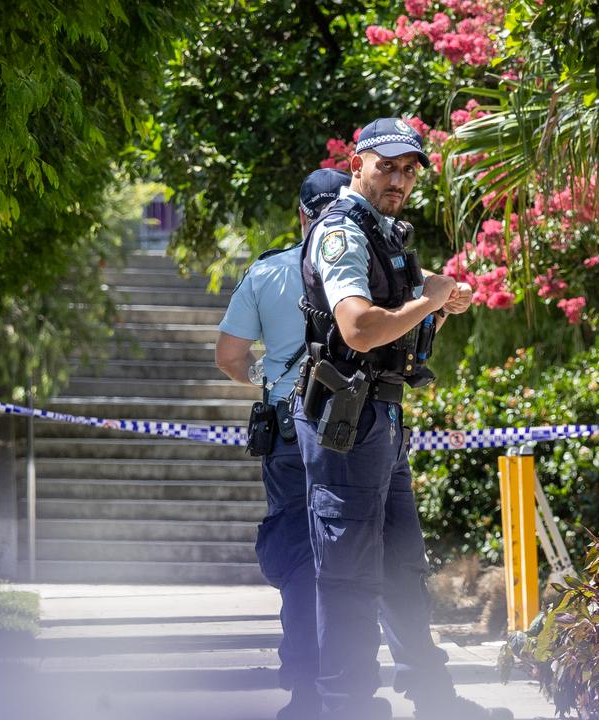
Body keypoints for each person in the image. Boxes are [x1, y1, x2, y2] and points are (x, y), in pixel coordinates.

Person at [294, 117, 511, 720]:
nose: (400, 178)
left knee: (401, 566)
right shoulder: (341, 231)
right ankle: (347, 706)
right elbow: (359, 329)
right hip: (345, 422)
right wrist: (429, 298)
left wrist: (435, 307)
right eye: (387, 164)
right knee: (347, 577)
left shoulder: (383, 232)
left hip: (380, 415)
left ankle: (435, 699)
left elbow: (398, 337)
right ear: (358, 160)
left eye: (410, 168)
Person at [215, 168, 352, 720]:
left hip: (287, 429)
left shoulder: (268, 271)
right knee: (352, 555)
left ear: (301, 214)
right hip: (352, 430)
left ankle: (304, 691)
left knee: (299, 556)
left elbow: (228, 355)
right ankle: (349, 686)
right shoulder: (366, 269)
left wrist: (264, 380)